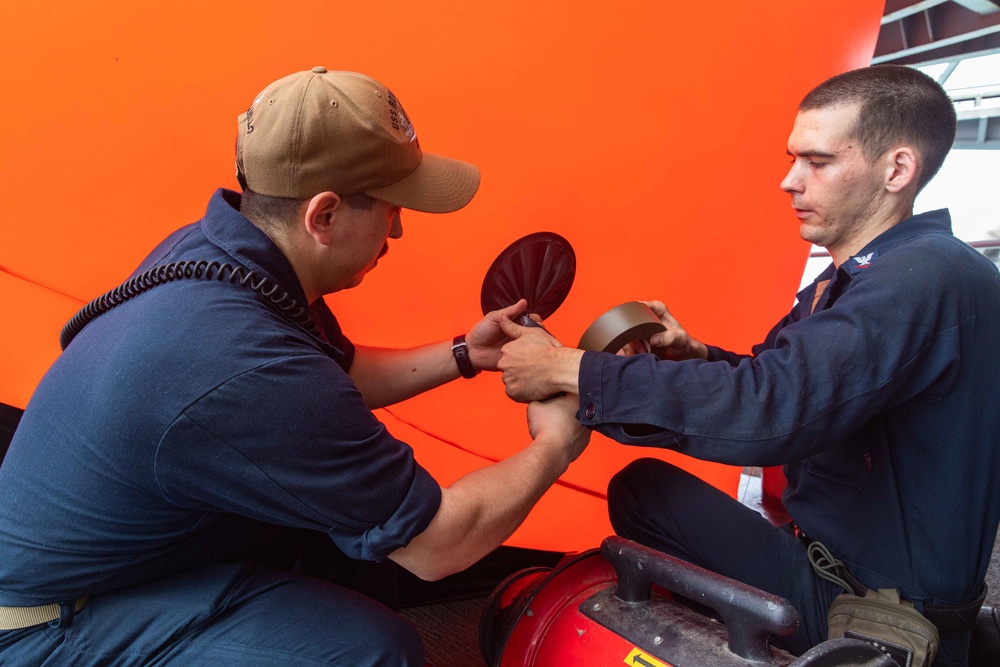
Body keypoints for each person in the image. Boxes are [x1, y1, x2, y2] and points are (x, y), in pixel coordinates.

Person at [0, 67, 590, 665]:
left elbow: (339, 375)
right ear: (323, 216)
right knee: (372, 652)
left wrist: (466, 353)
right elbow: (440, 544)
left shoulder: (224, 252)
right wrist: (555, 445)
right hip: (45, 625)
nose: (401, 229)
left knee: (346, 546)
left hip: (110, 559)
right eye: (391, 209)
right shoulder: (245, 364)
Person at [496, 64, 1000, 666]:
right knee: (644, 490)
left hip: (876, 614)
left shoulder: (924, 276)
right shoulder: (852, 280)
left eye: (816, 162)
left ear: (896, 170)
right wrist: (697, 356)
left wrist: (569, 371)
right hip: (828, 559)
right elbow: (777, 376)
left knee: (644, 496)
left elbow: (769, 410)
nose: (789, 181)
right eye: (792, 159)